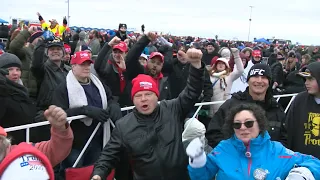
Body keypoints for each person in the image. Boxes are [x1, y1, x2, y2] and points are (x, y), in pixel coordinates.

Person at [91, 48, 205, 180]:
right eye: (138, 96)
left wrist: (196, 65)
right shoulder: (123, 126)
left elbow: (192, 92)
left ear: (157, 96)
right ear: (133, 99)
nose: (143, 99)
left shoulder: (172, 108)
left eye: (148, 94)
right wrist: (98, 174)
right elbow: (108, 155)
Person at [187, 103, 320, 180]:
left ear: (260, 124)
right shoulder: (223, 149)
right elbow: (201, 176)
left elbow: (314, 162)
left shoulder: (277, 150)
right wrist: (197, 160)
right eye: (237, 125)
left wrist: (302, 174)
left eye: (249, 123)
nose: (243, 128)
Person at [206, 63, 287, 148]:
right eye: (255, 76)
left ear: (269, 82)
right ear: (248, 80)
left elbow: (285, 139)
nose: (259, 81)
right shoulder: (231, 105)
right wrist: (233, 151)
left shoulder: (276, 109)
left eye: (264, 77)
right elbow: (213, 134)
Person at [286, 62, 320, 159]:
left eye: (310, 79)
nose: (306, 82)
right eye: (305, 79)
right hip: (301, 162)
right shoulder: (300, 100)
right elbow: (288, 130)